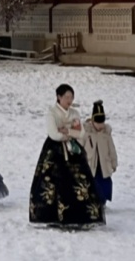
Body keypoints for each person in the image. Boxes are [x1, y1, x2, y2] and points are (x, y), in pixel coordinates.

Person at [29, 84, 105, 228]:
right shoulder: (52, 113)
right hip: (54, 151)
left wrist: (67, 131)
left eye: (71, 97)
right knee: (53, 182)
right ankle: (53, 216)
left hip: (73, 150)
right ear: (59, 97)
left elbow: (81, 133)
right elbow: (54, 134)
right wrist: (67, 134)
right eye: (66, 97)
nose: (69, 100)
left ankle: (79, 215)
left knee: (79, 181)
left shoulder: (74, 113)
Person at [82, 100, 118, 205]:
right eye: (97, 123)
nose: (100, 125)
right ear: (92, 121)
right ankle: (91, 203)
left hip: (104, 165)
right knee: (91, 184)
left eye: (102, 123)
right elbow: (80, 147)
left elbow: (112, 149)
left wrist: (113, 163)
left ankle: (102, 202)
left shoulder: (106, 134)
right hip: (90, 164)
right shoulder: (86, 132)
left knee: (105, 185)